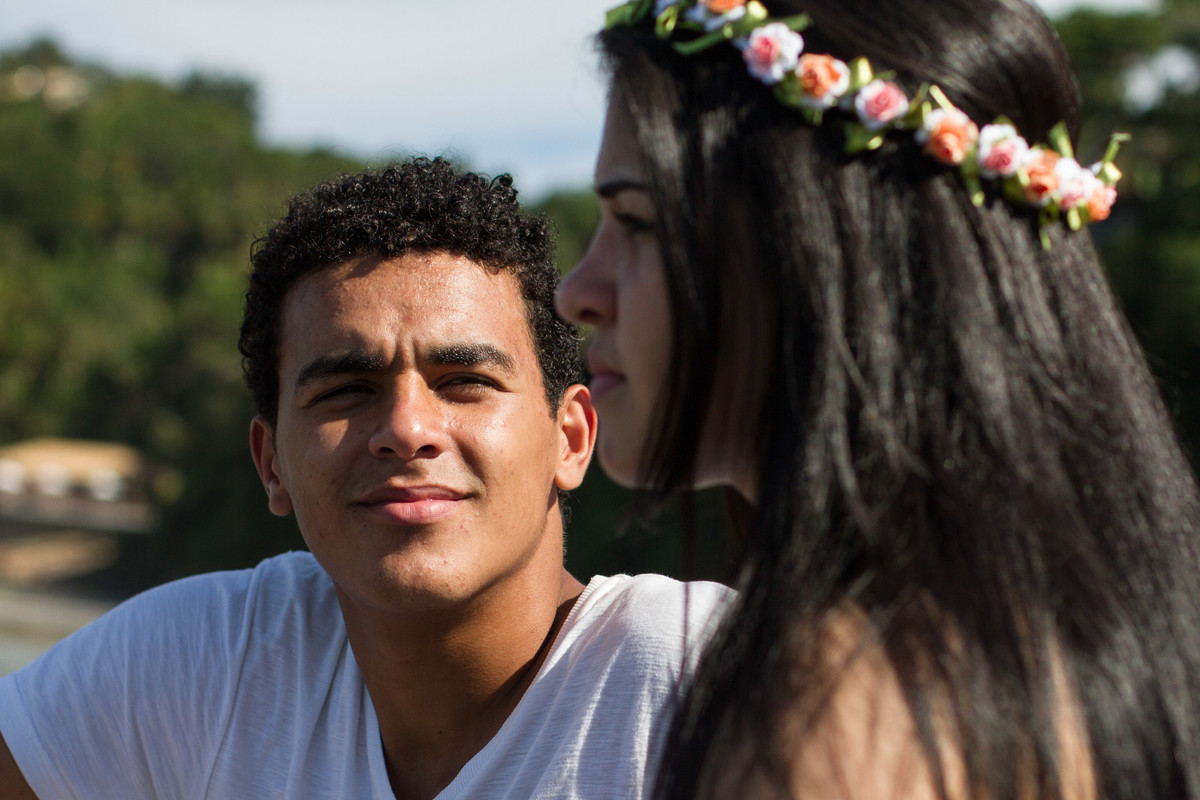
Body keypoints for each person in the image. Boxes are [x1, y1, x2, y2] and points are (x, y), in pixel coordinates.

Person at [555, 1, 1200, 798]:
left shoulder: (829, 725)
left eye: (636, 223)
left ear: (815, 248)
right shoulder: (1073, 639)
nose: (575, 292)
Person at [0, 157, 732, 800]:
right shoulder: (209, 663)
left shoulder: (701, 685)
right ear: (271, 465)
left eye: (465, 381)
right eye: (347, 391)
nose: (407, 430)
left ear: (569, 439)